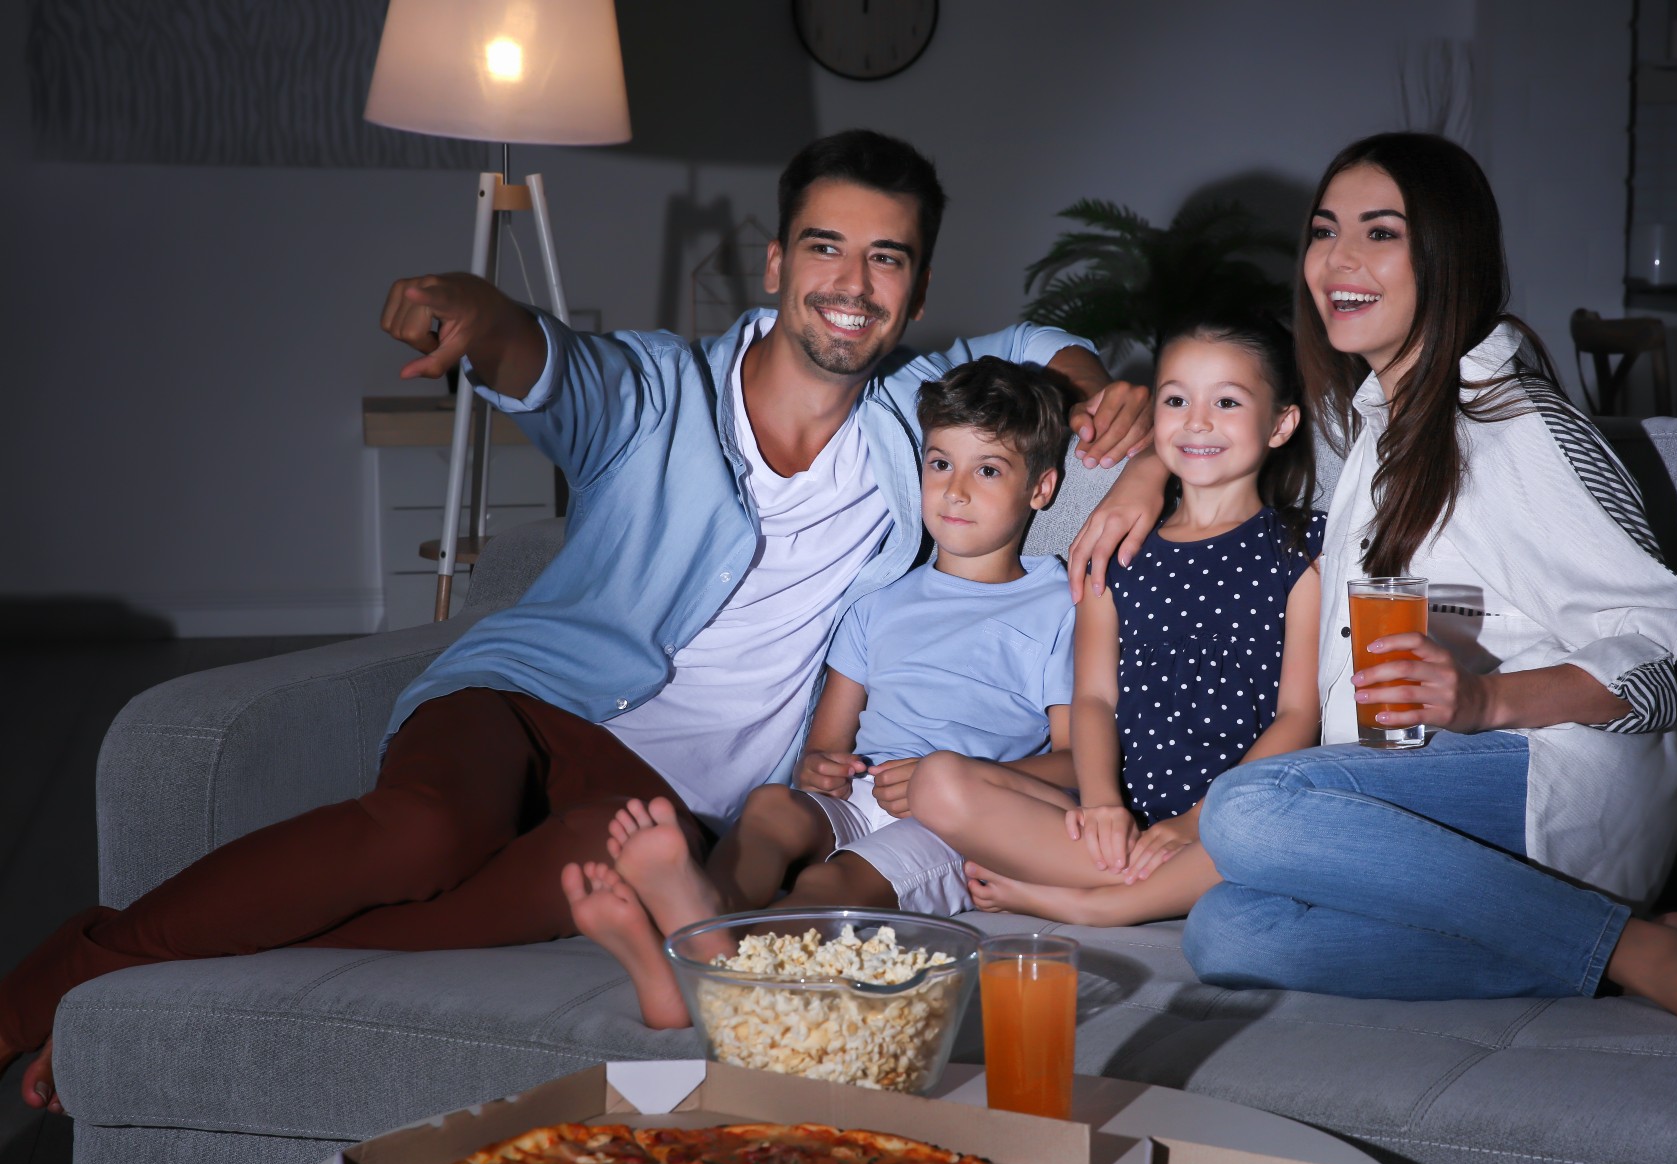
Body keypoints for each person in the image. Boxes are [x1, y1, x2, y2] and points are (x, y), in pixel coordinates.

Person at [0, 130, 1164, 1111]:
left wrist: (1115, 406)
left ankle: (141, 984)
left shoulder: (918, 417)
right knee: (422, 834)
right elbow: (551, 363)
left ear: (914, 288)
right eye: (825, 245)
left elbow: (1034, 349)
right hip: (521, 702)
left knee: (585, 870)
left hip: (663, 803)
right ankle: (58, 977)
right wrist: (483, 315)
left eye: (885, 257)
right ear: (777, 261)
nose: (851, 281)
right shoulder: (659, 389)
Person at [1173, 132, 1677, 1040]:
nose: (1338, 259)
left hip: (1551, 785)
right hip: (1439, 815)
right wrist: (1147, 468)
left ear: (1449, 256)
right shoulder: (1380, 424)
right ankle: (1660, 942)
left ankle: (1629, 950)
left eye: (1380, 232)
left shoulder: (1514, 424)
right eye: (1325, 232)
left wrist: (1485, 699)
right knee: (1225, 931)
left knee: (1249, 806)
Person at [563, 356, 1081, 1027]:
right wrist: (819, 767)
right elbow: (826, 745)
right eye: (939, 463)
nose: (954, 491)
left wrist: (955, 776)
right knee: (771, 807)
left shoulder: (1056, 605)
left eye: (987, 470)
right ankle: (697, 927)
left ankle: (696, 971)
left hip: (958, 823)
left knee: (828, 884)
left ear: (1040, 488)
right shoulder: (878, 603)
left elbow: (1076, 764)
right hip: (862, 793)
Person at [907, 312, 1325, 927]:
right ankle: (1152, 883)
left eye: (1227, 401)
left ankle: (1096, 903)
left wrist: (1198, 821)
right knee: (937, 781)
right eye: (1176, 400)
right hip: (1119, 820)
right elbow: (1095, 699)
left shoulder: (1299, 548)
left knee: (1288, 823)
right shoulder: (1115, 548)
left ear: (1280, 424)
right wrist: (1103, 806)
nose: (1197, 421)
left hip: (1236, 813)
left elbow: (1298, 716)